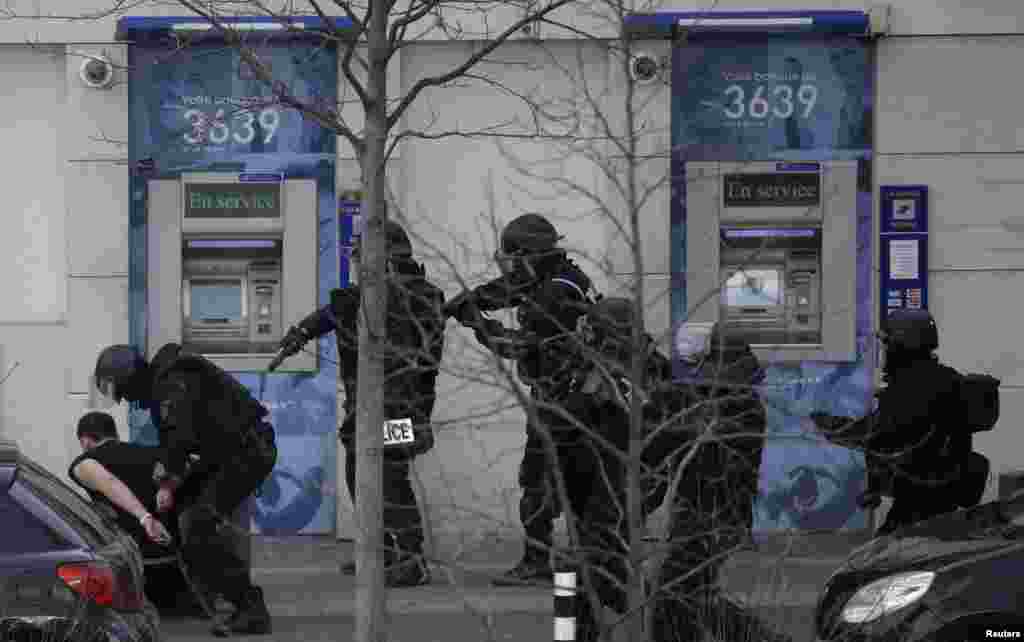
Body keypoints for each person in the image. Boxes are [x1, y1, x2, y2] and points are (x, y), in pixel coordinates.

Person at [276, 218, 444, 588]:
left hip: (400, 408)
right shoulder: (377, 295)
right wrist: (302, 331)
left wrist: (311, 326)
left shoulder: (413, 296)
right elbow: (338, 310)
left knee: (390, 478)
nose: (356, 266)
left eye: (361, 258)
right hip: (371, 410)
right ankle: (379, 554)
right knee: (361, 474)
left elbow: (352, 308)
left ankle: (412, 560)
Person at [444, 213, 595, 585]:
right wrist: (474, 298)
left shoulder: (554, 295)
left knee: (538, 481)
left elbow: (515, 347)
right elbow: (511, 288)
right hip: (576, 398)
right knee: (574, 483)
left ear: (530, 256)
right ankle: (589, 561)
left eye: (514, 257)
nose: (510, 265)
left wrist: (476, 322)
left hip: (563, 401)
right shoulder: (561, 276)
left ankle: (539, 561)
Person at [92, 343, 277, 637]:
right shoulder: (164, 384)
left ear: (129, 379)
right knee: (183, 514)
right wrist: (169, 478)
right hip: (227, 452)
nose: (127, 400)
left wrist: (167, 483)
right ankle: (201, 592)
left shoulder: (172, 383)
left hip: (249, 452)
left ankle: (249, 607)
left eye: (123, 392)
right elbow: (177, 441)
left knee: (198, 523)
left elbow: (179, 436)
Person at [646, 322, 783, 642]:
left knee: (676, 593)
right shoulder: (717, 404)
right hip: (709, 518)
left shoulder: (737, 410)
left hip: (714, 520)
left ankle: (762, 638)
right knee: (687, 595)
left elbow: (687, 446)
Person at [560, 297, 675, 641]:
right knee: (589, 570)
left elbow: (593, 425)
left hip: (616, 488)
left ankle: (674, 623)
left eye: (591, 330)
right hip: (610, 485)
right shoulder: (638, 365)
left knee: (587, 569)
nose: (584, 337)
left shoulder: (620, 375)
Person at [811, 309, 974, 535]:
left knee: (881, 559)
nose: (885, 352)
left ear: (903, 344)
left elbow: (883, 433)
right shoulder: (945, 377)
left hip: (920, 496)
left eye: (888, 345)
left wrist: (830, 426)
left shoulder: (913, 386)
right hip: (940, 490)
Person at [68, 411, 207, 616]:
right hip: (170, 566)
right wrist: (167, 488)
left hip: (131, 576)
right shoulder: (155, 455)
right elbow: (192, 461)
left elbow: (109, 483)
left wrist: (144, 517)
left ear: (85, 440)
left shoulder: (84, 463)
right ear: (113, 433)